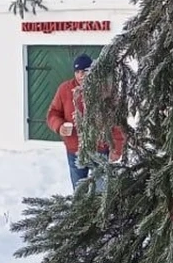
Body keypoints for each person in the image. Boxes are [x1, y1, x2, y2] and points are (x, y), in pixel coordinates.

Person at [46, 53, 124, 189]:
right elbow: (53, 113)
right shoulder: (65, 89)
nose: (81, 75)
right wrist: (59, 126)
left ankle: (99, 210)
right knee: (79, 191)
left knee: (101, 192)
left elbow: (116, 121)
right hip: (75, 150)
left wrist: (117, 148)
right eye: (77, 72)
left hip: (100, 149)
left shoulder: (105, 90)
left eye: (84, 71)